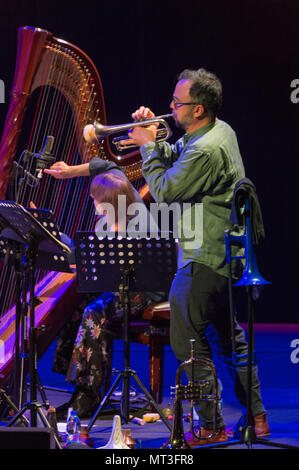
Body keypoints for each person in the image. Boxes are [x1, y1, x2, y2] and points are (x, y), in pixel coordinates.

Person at [127, 68, 269, 445]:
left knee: (187, 342)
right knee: (229, 341)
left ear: (200, 109)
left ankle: (209, 424)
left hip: (206, 256)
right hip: (222, 255)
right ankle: (258, 419)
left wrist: (145, 147)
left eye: (178, 104)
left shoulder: (207, 148)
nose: (170, 108)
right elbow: (179, 155)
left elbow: (165, 191)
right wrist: (155, 136)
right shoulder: (218, 131)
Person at [45, 161, 165, 418]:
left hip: (145, 289)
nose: (92, 201)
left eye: (96, 198)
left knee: (94, 312)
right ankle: (81, 382)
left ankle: (88, 395)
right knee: (76, 306)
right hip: (119, 286)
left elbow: (122, 269)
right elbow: (80, 255)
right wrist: (52, 235)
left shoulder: (136, 222)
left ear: (110, 201)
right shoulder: (109, 213)